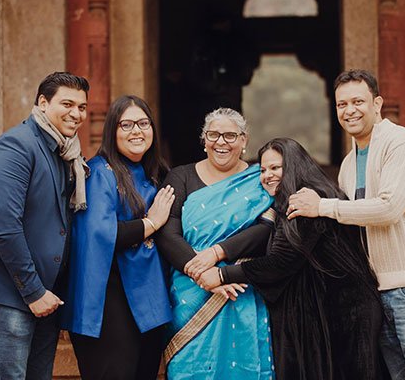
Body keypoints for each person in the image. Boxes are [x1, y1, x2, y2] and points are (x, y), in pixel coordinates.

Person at [287, 69, 405, 380]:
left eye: (358, 101)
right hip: (380, 289)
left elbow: (388, 209)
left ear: (377, 104)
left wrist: (322, 206)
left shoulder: (401, 144)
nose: (349, 110)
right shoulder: (349, 164)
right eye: (341, 105)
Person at [197, 137, 384, 380]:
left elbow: (281, 262)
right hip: (331, 312)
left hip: (348, 313)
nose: (267, 175)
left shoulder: (305, 200)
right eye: (263, 170)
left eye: (275, 167)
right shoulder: (291, 201)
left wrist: (222, 274)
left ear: (294, 165)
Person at [0, 72, 90, 379]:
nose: (77, 113)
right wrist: (33, 292)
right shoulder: (16, 145)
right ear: (43, 103)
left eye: (82, 107)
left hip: (44, 298)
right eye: (67, 104)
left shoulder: (64, 151)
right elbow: (5, 226)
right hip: (6, 295)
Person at [155, 107, 275, 379]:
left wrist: (216, 257)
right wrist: (203, 274)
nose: (221, 142)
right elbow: (167, 233)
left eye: (231, 135)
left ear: (244, 140)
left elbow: (266, 230)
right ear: (204, 139)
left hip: (242, 289)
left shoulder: (259, 179)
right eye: (214, 135)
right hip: (190, 293)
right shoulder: (181, 176)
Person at [60, 95, 175, 379]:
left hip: (149, 300)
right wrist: (151, 222)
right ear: (112, 131)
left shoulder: (158, 174)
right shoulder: (99, 172)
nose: (136, 131)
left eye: (143, 123)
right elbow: (101, 233)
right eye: (126, 125)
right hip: (109, 302)